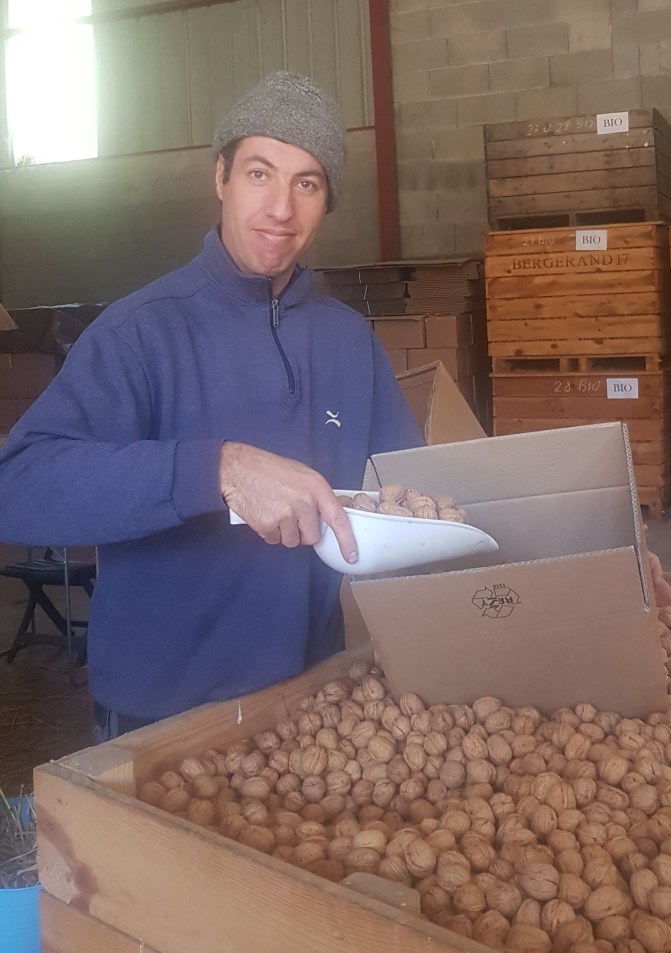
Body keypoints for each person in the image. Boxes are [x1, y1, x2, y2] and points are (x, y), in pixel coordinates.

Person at [0, 71, 424, 739]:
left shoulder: (349, 344)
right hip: (160, 714)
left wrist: (589, 578)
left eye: (306, 183)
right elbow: (18, 486)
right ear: (220, 177)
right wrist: (217, 471)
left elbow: (421, 504)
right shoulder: (139, 331)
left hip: (310, 701)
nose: (281, 208)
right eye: (260, 173)